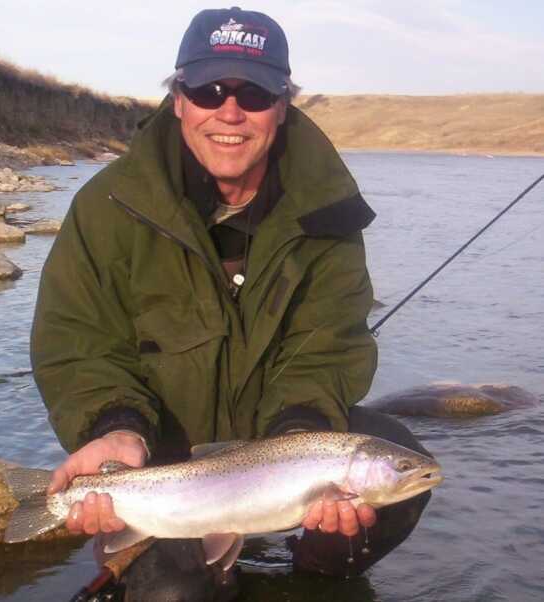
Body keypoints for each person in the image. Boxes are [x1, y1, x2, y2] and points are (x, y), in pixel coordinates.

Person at [31, 7, 432, 600]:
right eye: (208, 88)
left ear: (283, 105)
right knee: (174, 593)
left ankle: (313, 575)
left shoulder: (329, 215)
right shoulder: (106, 207)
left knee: (409, 476)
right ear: (178, 100)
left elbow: (327, 346)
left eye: (255, 92)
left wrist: (301, 434)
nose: (229, 110)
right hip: (160, 453)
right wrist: (114, 427)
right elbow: (77, 342)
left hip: (280, 439)